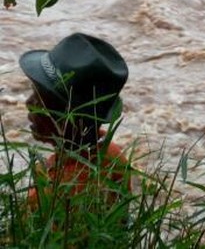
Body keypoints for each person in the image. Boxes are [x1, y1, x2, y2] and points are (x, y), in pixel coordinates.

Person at [20, 32, 131, 211]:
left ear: (66, 116)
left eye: (38, 98)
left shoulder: (57, 194)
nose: (28, 103)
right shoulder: (110, 153)